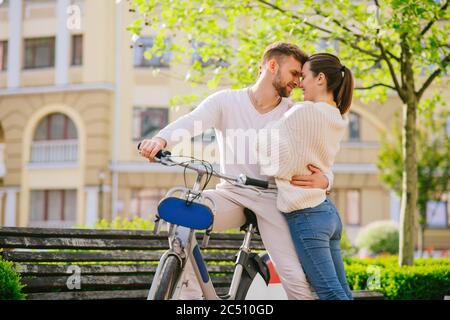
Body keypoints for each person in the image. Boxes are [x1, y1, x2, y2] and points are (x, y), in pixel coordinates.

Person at [139, 42, 333, 300]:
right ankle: (191, 298)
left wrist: (325, 179)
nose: (298, 82)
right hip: (230, 192)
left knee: (295, 278)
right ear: (272, 66)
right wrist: (160, 140)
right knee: (183, 215)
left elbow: (322, 156)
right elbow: (191, 122)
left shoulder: (293, 113)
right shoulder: (226, 101)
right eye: (294, 73)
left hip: (274, 199)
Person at [259, 53, 354, 300]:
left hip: (307, 215)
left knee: (330, 293)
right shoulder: (337, 117)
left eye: (304, 76)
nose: (300, 83)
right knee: (341, 291)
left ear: (320, 78)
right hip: (326, 212)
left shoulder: (302, 113)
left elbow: (272, 163)